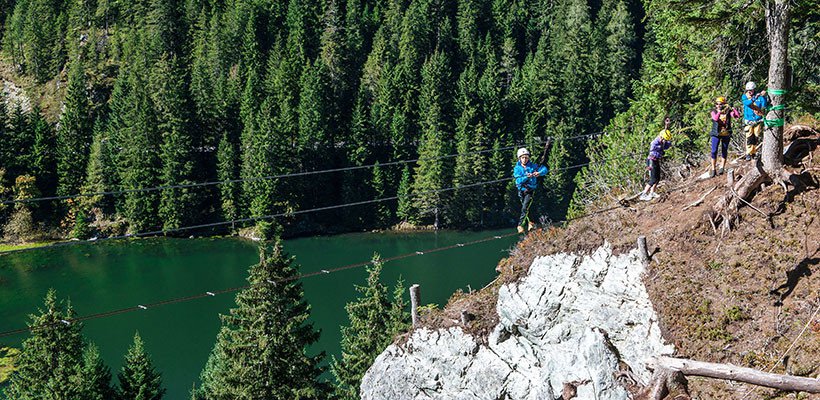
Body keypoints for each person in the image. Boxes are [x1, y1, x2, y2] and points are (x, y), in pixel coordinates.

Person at [513, 147, 548, 233]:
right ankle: (531, 223)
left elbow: (545, 169)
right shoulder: (517, 169)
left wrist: (538, 173)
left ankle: (520, 224)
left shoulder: (532, 166)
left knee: (525, 207)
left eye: (526, 157)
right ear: (519, 158)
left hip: (530, 190)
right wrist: (526, 177)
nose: (524, 159)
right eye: (523, 157)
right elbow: (518, 180)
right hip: (521, 190)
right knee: (528, 207)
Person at [639, 117, 673, 201]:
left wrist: (666, 126)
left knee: (657, 178)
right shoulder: (654, 143)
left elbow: (666, 145)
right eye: (664, 139)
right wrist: (662, 146)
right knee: (653, 179)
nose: (664, 141)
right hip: (651, 161)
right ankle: (643, 194)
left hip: (656, 160)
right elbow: (659, 147)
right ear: (661, 137)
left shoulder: (662, 141)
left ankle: (652, 192)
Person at [708, 96, 740, 177]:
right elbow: (715, 118)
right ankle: (713, 169)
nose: (719, 105)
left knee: (724, 150)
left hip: (726, 133)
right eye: (717, 104)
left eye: (721, 104)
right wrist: (719, 112)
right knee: (714, 151)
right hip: (716, 134)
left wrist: (733, 109)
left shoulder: (728, 111)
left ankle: (722, 167)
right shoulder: (713, 111)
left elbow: (737, 116)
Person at [741, 81, 767, 160]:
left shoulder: (760, 97)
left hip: (758, 120)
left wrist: (764, 97)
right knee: (749, 137)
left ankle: (753, 152)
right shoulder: (745, 97)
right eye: (748, 90)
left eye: (751, 90)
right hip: (749, 120)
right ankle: (748, 153)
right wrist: (754, 98)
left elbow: (764, 105)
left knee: (756, 136)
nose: (750, 91)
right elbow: (747, 103)